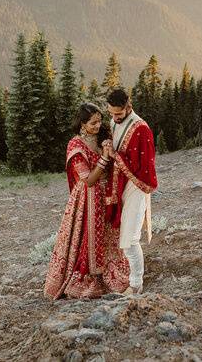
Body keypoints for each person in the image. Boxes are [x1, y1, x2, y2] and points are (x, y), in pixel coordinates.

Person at [44, 103, 130, 299]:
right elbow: (89, 180)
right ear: (82, 124)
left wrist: (112, 155)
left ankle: (108, 274)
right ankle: (87, 280)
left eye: (100, 121)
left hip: (106, 197)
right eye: (93, 123)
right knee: (86, 238)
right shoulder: (75, 145)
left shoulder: (103, 140)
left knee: (108, 236)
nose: (98, 126)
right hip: (87, 199)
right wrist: (105, 159)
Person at [105, 88, 158, 295]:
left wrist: (115, 155)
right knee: (123, 237)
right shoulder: (114, 122)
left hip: (136, 186)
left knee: (130, 239)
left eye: (118, 113)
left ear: (129, 106)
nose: (114, 117)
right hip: (121, 184)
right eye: (111, 113)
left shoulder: (141, 129)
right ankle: (129, 279)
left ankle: (136, 285)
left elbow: (145, 167)